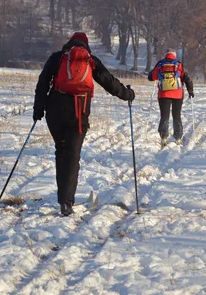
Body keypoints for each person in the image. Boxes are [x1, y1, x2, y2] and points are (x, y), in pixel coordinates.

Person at [33, 32, 135, 216]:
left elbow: (42, 83)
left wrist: (38, 109)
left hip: (55, 111)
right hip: (78, 112)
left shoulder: (57, 58)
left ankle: (63, 198)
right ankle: (67, 202)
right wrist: (128, 94)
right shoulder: (90, 60)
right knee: (72, 155)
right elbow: (109, 82)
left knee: (60, 151)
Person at [148, 49, 194, 147]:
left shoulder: (160, 64)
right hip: (178, 94)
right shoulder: (179, 64)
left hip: (163, 94)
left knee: (164, 116)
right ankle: (178, 138)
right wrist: (190, 91)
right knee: (176, 115)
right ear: (174, 56)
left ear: (165, 55)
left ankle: (163, 137)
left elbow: (151, 77)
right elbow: (186, 78)